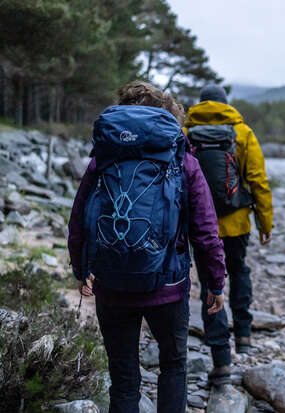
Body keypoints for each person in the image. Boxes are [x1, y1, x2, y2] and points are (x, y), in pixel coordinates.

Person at [68, 81, 226, 413]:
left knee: (124, 380)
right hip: (167, 286)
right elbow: (205, 230)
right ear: (167, 113)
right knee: (173, 366)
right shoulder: (181, 158)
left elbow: (79, 218)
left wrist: (82, 270)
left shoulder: (105, 157)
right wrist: (215, 281)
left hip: (111, 284)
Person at [183, 84, 273, 385]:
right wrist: (265, 222)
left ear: (201, 104)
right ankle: (244, 335)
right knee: (238, 269)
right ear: (225, 103)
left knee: (210, 283)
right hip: (236, 223)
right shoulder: (242, 132)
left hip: (200, 226)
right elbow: (258, 180)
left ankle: (221, 360)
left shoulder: (185, 132)